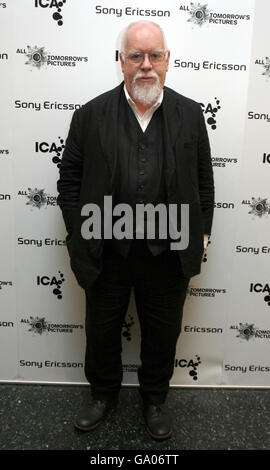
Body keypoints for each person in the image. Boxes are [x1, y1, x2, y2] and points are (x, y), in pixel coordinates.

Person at [57, 20, 214, 441]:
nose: (146, 65)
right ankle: (102, 395)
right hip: (106, 250)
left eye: (154, 55)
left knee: (163, 331)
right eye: (135, 56)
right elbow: (70, 180)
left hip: (169, 250)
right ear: (120, 61)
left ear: (167, 61)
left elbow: (203, 182)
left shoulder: (191, 113)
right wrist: (79, 232)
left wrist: (203, 237)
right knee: (102, 330)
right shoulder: (90, 115)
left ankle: (155, 399)